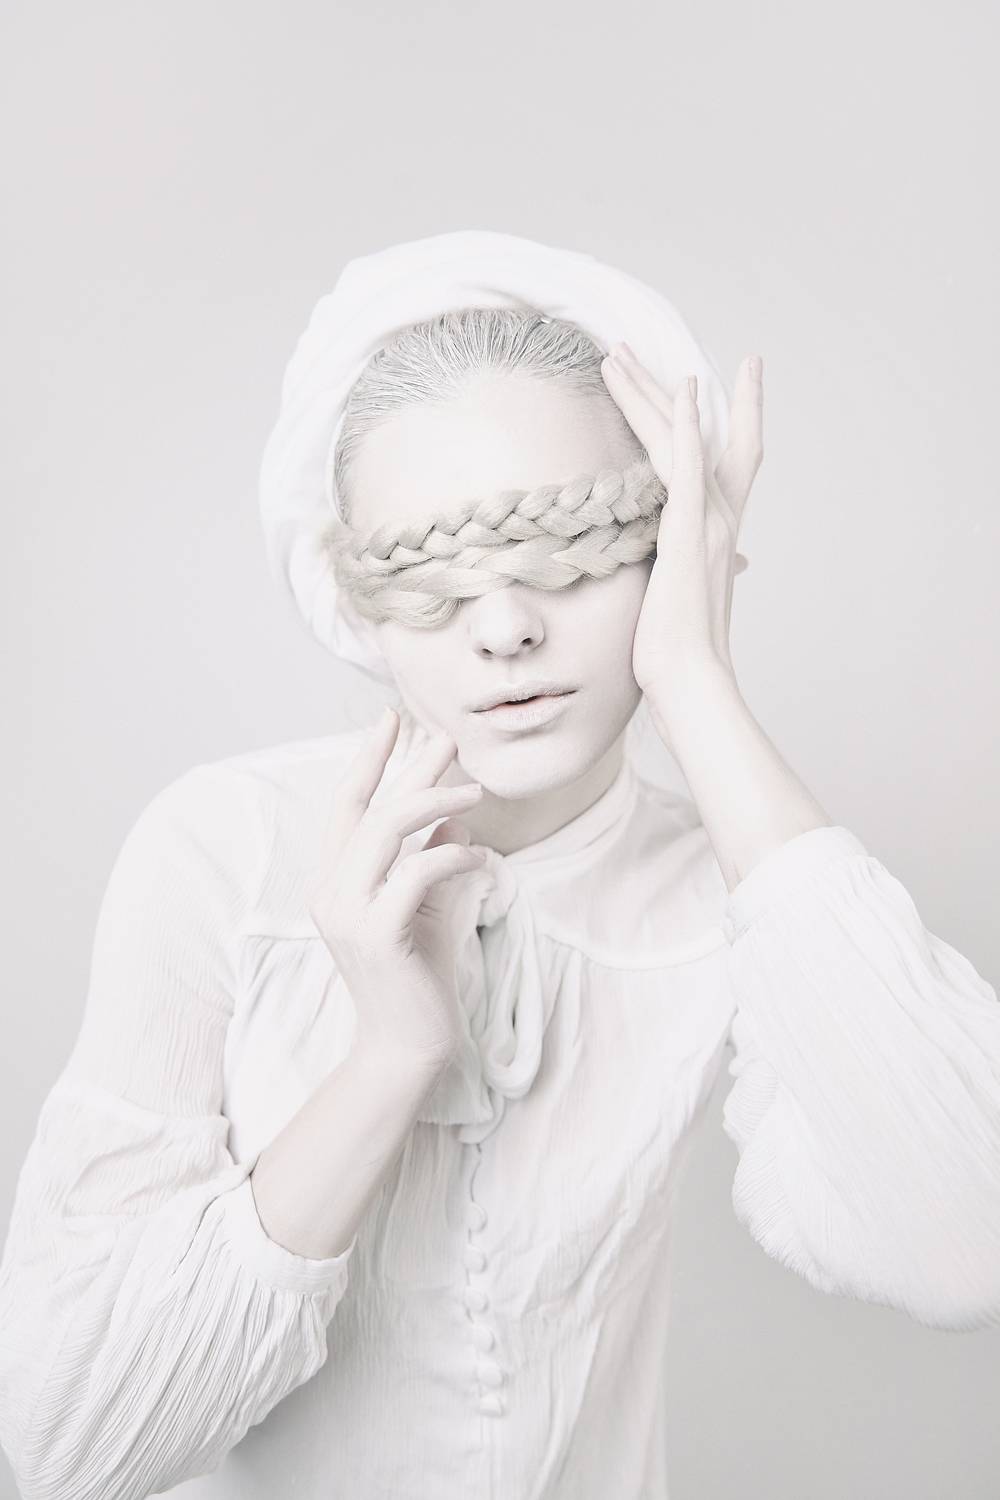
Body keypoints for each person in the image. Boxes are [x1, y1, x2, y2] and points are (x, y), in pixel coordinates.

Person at [1, 232, 998, 1500]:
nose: (509, 629)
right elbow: (69, 1449)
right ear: (360, 610)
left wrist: (695, 680)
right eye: (432, 584)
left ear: (671, 550)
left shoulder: (723, 892)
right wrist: (387, 1058)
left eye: (571, 553)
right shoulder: (222, 852)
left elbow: (968, 1241)